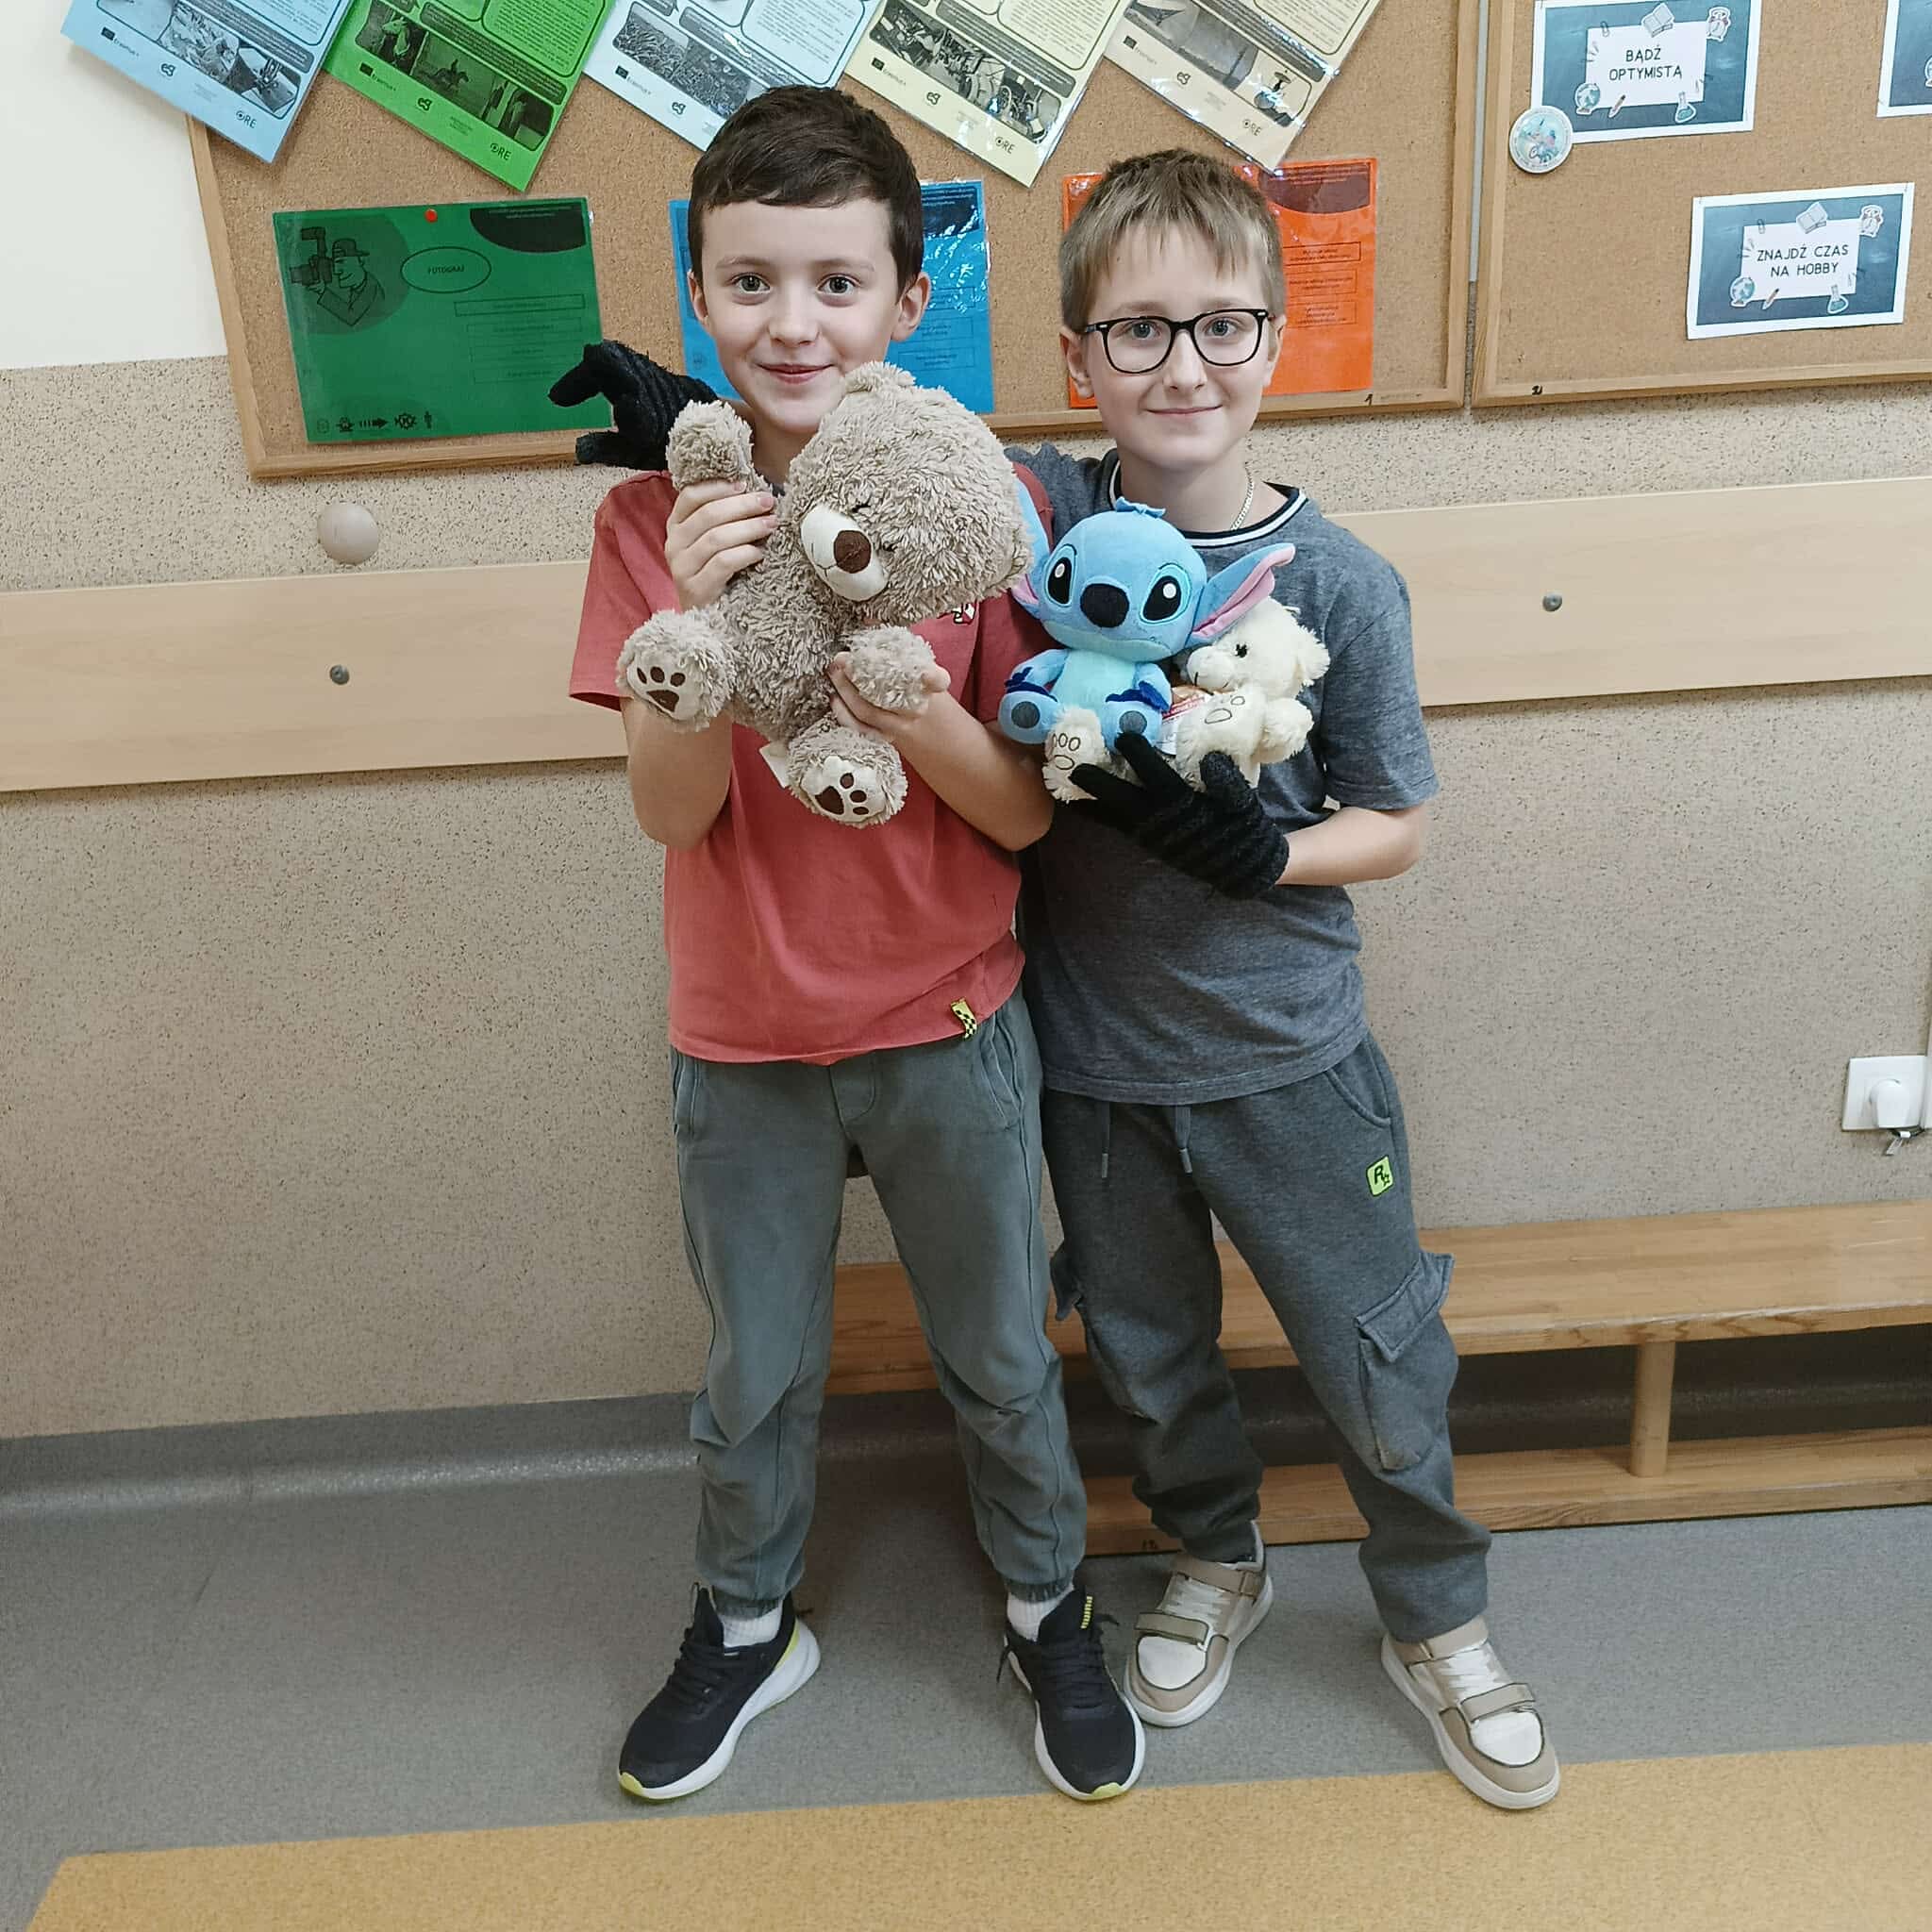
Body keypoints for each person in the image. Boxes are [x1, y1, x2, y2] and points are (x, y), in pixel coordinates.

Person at [566, 86, 1141, 1806]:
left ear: (907, 297)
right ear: (700, 297)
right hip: (742, 1036)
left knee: (998, 1355)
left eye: (836, 282)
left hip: (952, 1022)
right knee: (756, 1372)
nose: (793, 323)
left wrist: (907, 698)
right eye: (750, 283)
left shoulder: (977, 502)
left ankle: (1046, 1603)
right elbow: (668, 815)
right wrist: (692, 613)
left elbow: (1025, 819)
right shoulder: (646, 524)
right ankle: (748, 1624)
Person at [1010, 150, 1561, 1811]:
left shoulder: (1341, 584)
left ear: (1274, 341)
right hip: (1095, 1071)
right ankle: (1215, 1559)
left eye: (1222, 325)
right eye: (1139, 329)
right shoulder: (1036, 535)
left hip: (1294, 1062)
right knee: (1148, 1354)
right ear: (1079, 358)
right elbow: (884, 465)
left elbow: (1395, 823)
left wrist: (1267, 858)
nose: (1183, 364)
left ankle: (1436, 1616)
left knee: (1377, 1355)